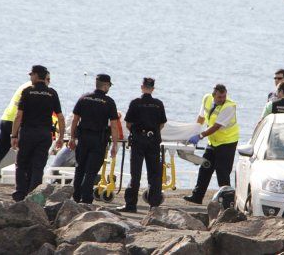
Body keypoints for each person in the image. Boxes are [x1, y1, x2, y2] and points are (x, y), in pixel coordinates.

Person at [0, 72, 50, 196]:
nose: (48, 82)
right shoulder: (34, 90)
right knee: (24, 158)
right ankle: (23, 190)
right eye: (47, 79)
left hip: (6, 119)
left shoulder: (25, 86)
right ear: (42, 79)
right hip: (16, 123)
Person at [10, 65, 65, 201]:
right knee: (38, 165)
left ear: (35, 75)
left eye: (31, 75)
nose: (30, 77)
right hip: (45, 134)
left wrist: (14, 135)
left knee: (22, 164)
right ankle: (33, 195)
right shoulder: (52, 93)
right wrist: (61, 137)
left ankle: (20, 193)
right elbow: (60, 117)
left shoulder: (28, 91)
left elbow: (19, 116)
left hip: (28, 132)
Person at [117, 77, 167, 213]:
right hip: (154, 141)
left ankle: (131, 205)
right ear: (153, 89)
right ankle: (154, 206)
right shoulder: (158, 104)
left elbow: (128, 124)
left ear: (142, 87)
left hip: (138, 140)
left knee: (136, 174)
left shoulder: (135, 103)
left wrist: (137, 133)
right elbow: (162, 124)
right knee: (154, 174)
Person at [184, 84, 240, 204]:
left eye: (224, 96)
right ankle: (197, 196)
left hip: (227, 142)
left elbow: (216, 126)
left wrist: (199, 136)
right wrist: (193, 131)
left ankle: (227, 201)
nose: (222, 99)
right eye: (219, 97)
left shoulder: (229, 106)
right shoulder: (207, 99)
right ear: (213, 95)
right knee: (205, 167)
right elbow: (201, 117)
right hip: (213, 141)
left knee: (222, 172)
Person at [68, 74, 119, 204]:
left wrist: (72, 138)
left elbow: (75, 120)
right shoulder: (109, 102)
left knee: (79, 169)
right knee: (91, 171)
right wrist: (114, 144)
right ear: (106, 85)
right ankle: (86, 199)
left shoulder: (84, 98)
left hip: (83, 138)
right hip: (98, 140)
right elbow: (113, 126)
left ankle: (76, 197)